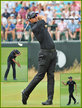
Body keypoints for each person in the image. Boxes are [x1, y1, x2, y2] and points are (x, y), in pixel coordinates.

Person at [22, 11, 57, 105]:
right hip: (44, 54)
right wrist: (39, 17)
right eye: (34, 16)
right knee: (40, 76)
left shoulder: (37, 23)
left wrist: (36, 17)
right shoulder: (35, 26)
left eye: (36, 15)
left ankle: (50, 99)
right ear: (30, 20)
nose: (36, 17)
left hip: (53, 53)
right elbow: (44, 18)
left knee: (51, 76)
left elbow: (41, 18)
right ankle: (25, 92)